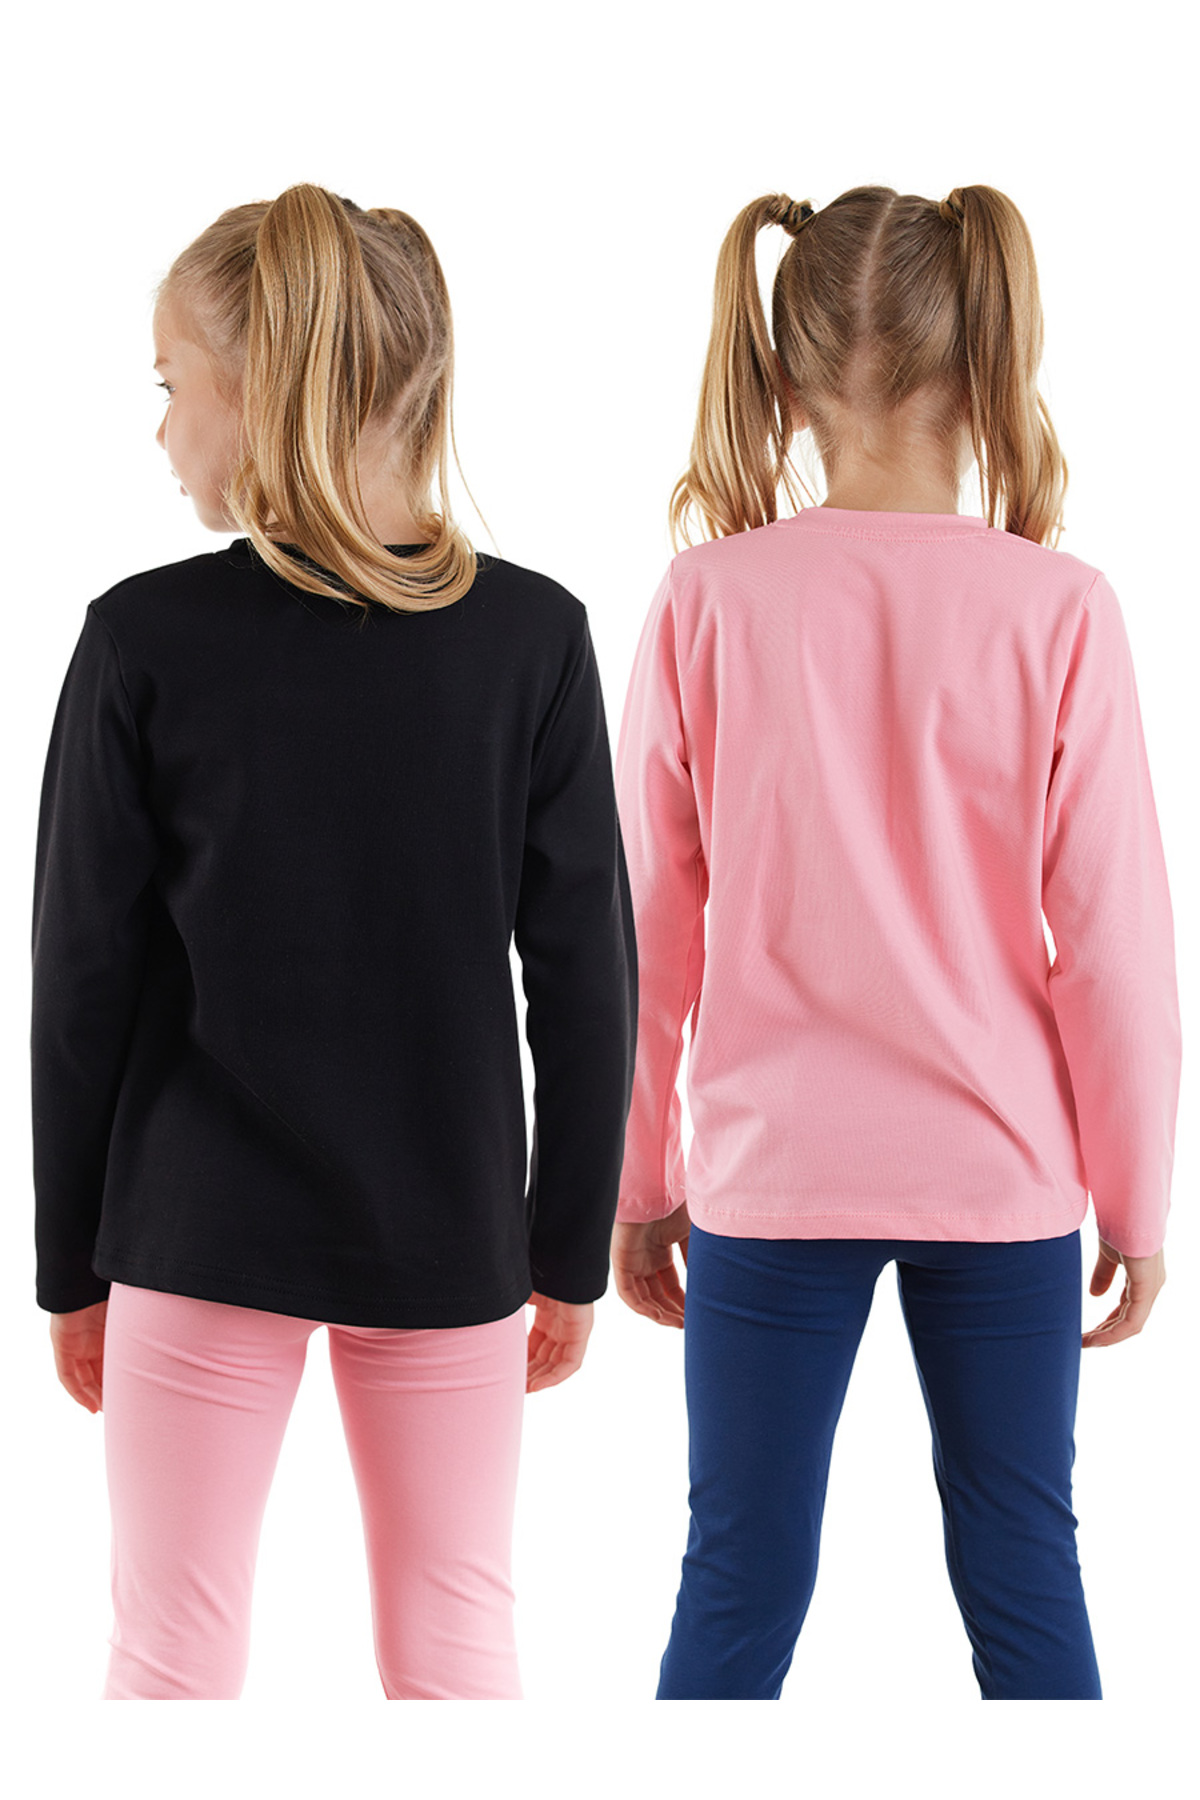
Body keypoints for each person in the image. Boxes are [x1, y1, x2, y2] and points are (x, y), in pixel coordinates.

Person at [31, 183, 637, 1700]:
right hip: (449, 1226)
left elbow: (80, 985)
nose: (160, 431)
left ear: (261, 388)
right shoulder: (532, 640)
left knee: (168, 1658)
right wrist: (563, 1243)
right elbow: (587, 977)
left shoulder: (142, 640)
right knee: (456, 1646)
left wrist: (69, 1265)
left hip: (190, 1228)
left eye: (171, 386)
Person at [608, 184, 1181, 1700]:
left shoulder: (707, 600)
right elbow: (1116, 945)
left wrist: (638, 1181)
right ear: (984, 363)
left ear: (786, 379)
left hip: (771, 1173)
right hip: (1000, 1173)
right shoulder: (1061, 610)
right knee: (1026, 1577)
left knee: (735, 1586)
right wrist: (1136, 1199)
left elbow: (645, 931)